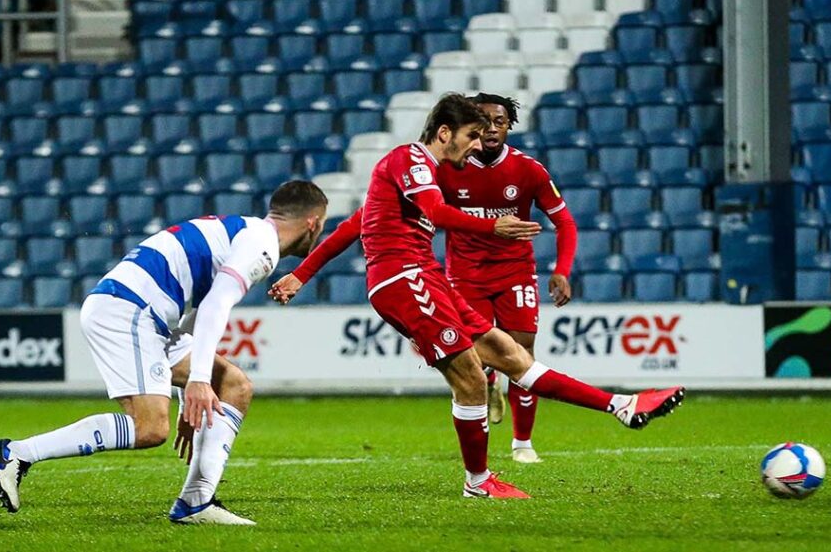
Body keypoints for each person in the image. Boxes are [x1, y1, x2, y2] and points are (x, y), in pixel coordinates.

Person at [270, 93, 686, 499]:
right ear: (445, 133)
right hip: (403, 278)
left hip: (428, 276)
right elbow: (432, 214)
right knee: (470, 378)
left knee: (510, 355)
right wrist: (493, 226)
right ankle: (478, 480)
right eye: (471, 135)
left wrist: (300, 276)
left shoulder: (427, 174)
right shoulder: (409, 159)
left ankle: (622, 405)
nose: (476, 145)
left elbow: (353, 225)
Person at [0, 180, 328, 525]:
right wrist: (198, 380)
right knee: (149, 428)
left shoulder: (245, 232)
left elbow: (197, 311)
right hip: (130, 311)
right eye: (323, 225)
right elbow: (216, 306)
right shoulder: (262, 247)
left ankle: (196, 502)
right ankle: (16, 453)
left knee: (234, 385)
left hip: (146, 313)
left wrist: (187, 393)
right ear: (312, 222)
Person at [436, 92, 577, 464]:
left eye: (500, 121)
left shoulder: (528, 170)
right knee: (472, 359)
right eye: (484, 122)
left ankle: (522, 444)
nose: (492, 128)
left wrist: (561, 271)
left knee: (523, 354)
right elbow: (430, 215)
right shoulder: (449, 168)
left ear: (509, 126)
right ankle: (487, 382)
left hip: (515, 274)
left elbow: (565, 222)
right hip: (465, 276)